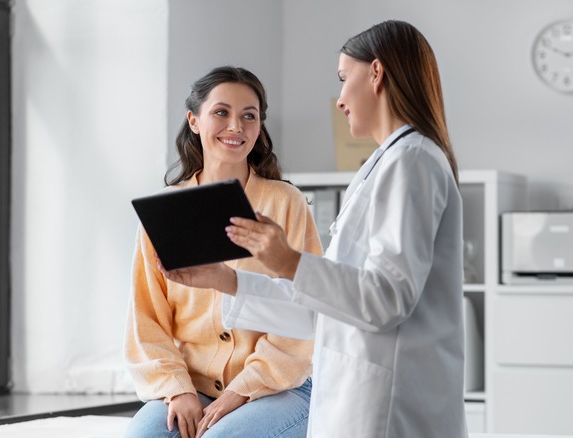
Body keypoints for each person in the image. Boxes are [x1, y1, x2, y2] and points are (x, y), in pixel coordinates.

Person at [161, 20, 467, 437]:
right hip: (356, 394)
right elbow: (322, 308)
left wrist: (288, 261)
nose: (340, 98)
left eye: (344, 78)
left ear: (376, 73)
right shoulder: (385, 165)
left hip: (389, 405)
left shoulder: (412, 161)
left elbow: (387, 299)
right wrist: (227, 280)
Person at [124, 66, 322, 438]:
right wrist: (177, 389)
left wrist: (239, 392)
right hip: (190, 384)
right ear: (194, 121)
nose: (236, 126)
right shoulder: (164, 212)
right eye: (221, 112)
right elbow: (146, 318)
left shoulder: (286, 203)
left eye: (249, 116)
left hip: (281, 387)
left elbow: (305, 316)